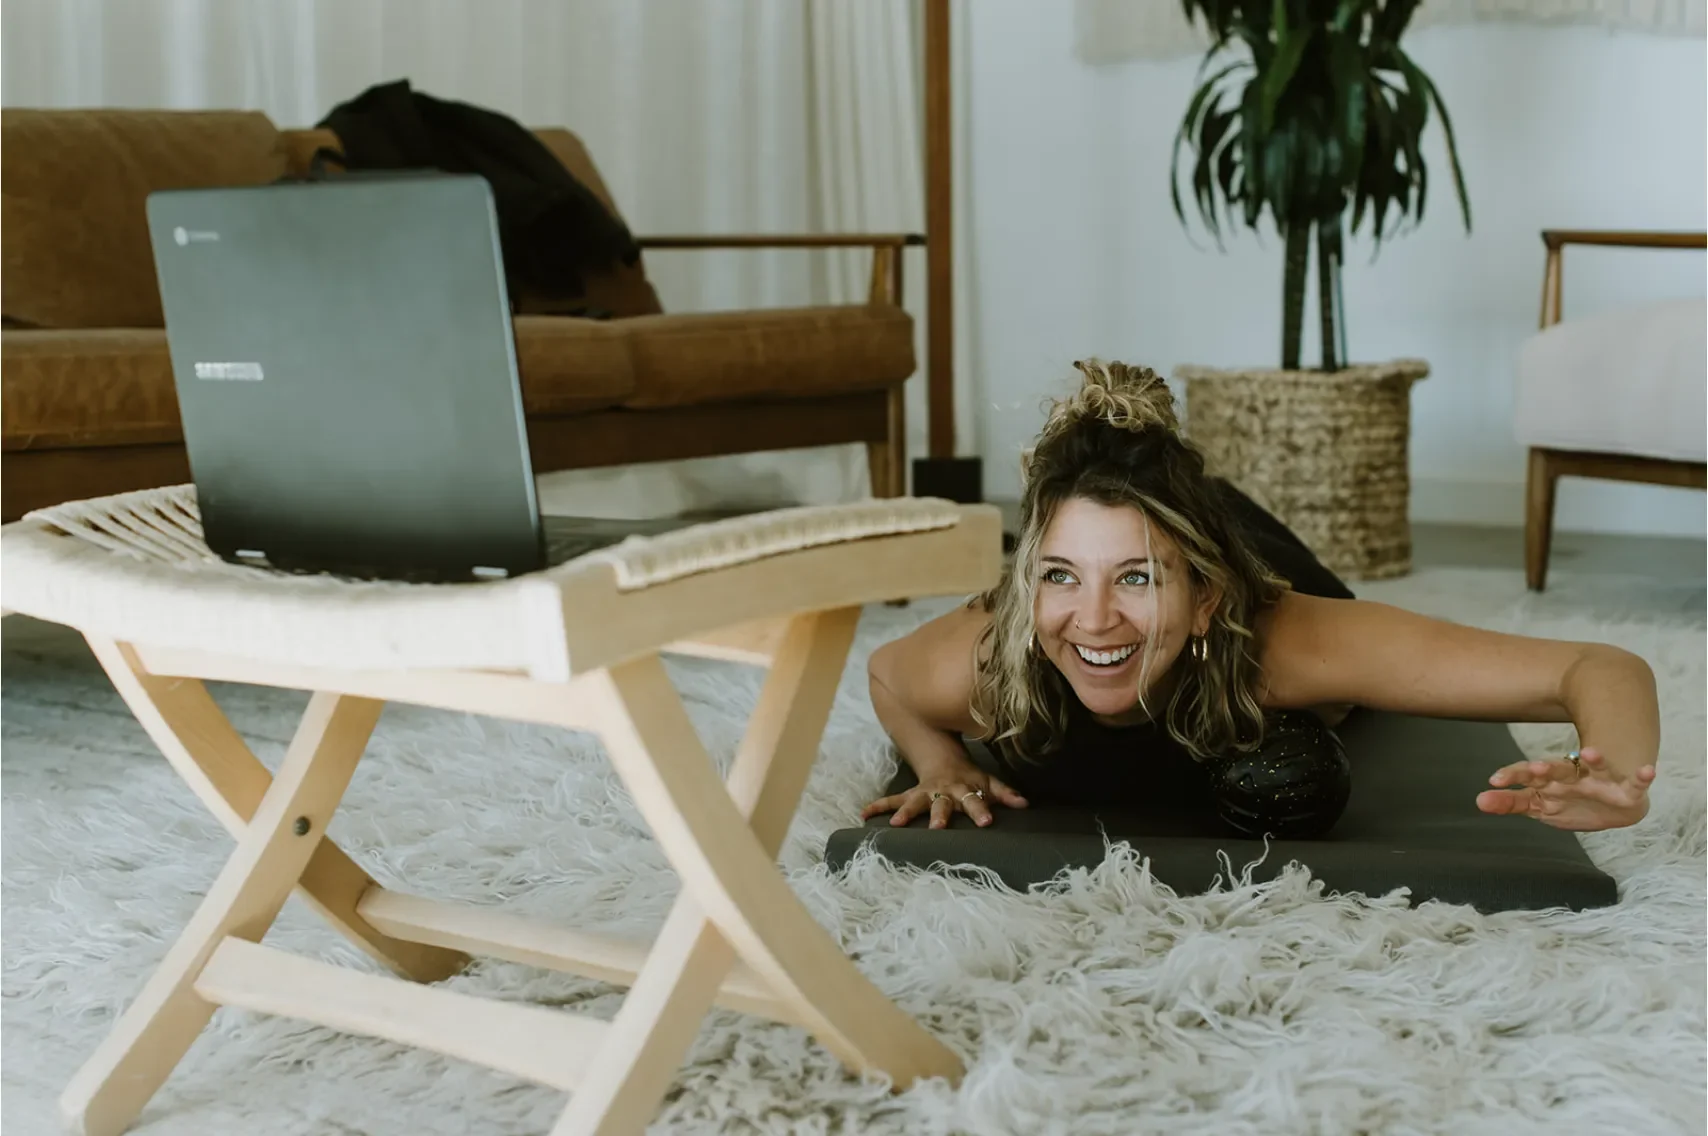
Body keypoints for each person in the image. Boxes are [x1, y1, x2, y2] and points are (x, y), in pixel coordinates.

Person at [862, 360, 1660, 837]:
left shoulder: (1291, 642)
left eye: (1135, 578)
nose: (1095, 618)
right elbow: (888, 673)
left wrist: (1615, 775)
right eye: (1061, 575)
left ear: (1206, 601)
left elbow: (1597, 665)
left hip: (1247, 552)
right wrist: (938, 760)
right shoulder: (999, 653)